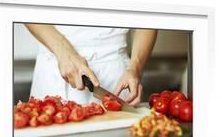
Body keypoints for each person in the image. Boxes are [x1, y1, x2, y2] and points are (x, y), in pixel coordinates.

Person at [25, 24, 157, 105]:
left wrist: (135, 67)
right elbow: (26, 3)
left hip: (116, 78)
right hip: (54, 67)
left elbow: (152, 12)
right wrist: (64, 52)